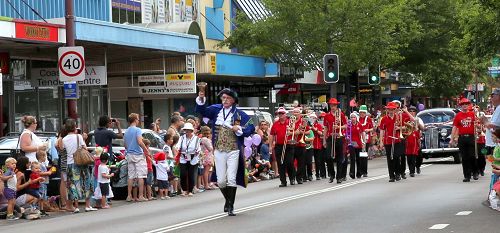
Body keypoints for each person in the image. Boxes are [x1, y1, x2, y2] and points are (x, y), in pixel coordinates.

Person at [196, 87, 255, 216]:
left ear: (233, 100)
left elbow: (251, 127)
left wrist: (239, 129)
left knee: (231, 179)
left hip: (233, 149)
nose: (225, 100)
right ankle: (228, 200)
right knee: (221, 180)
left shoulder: (239, 114)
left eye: (228, 98)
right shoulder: (215, 109)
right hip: (219, 150)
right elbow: (202, 111)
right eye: (223, 98)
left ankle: (231, 207)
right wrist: (201, 98)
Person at [62, 119, 97, 212]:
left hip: (70, 163)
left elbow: (63, 151)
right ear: (74, 127)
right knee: (86, 181)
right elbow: (84, 147)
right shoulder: (78, 136)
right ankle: (87, 205)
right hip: (81, 162)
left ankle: (76, 206)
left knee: (73, 184)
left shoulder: (64, 139)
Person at [124, 113, 150, 202]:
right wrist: (146, 150)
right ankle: (141, 196)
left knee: (131, 176)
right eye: (138, 119)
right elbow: (139, 141)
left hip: (129, 154)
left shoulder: (126, 131)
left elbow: (125, 145)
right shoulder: (138, 130)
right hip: (138, 154)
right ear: (135, 120)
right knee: (141, 175)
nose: (138, 120)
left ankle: (129, 195)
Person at [451, 98, 478, 182]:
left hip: (471, 137)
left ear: (468, 105)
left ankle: (475, 172)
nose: (465, 105)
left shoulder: (472, 114)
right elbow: (455, 127)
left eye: (466, 104)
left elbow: (476, 124)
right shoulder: (458, 115)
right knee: (464, 157)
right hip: (462, 138)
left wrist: (477, 127)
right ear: (461, 106)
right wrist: (452, 139)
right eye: (463, 104)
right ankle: (467, 175)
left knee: (472, 156)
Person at [323, 98, 347, 184]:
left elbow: (346, 125)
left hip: (339, 137)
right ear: (330, 106)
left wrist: (339, 127)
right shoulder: (326, 115)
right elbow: (325, 128)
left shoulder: (341, 114)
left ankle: (339, 176)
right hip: (330, 137)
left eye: (335, 105)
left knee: (339, 158)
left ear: (337, 106)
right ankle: (331, 174)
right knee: (328, 157)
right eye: (332, 105)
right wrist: (324, 140)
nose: (333, 107)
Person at [270, 107, 296, 187]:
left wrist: (290, 131)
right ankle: (283, 181)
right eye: (279, 114)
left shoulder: (290, 122)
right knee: (280, 163)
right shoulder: (275, 124)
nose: (280, 115)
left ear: (285, 114)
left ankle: (292, 178)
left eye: (282, 113)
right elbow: (272, 135)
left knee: (289, 162)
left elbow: (296, 132)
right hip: (279, 146)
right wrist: (270, 145)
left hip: (289, 145)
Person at [379, 102, 404, 182]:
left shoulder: (398, 117)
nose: (391, 111)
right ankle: (391, 176)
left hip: (397, 140)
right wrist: (381, 141)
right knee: (390, 159)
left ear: (395, 109)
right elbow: (382, 130)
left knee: (396, 157)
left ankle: (397, 174)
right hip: (388, 140)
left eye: (392, 109)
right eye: (389, 109)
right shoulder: (384, 119)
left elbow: (405, 127)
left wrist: (399, 128)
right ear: (387, 110)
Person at [391, 100, 414, 179]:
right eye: (394, 107)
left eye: (397, 107)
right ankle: (396, 172)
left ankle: (402, 172)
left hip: (402, 137)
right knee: (395, 156)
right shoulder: (391, 115)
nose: (396, 109)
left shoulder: (402, 115)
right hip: (393, 138)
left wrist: (406, 111)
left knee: (403, 155)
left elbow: (412, 121)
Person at [177, 123, 201, 197]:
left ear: (191, 131)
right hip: (183, 157)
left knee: (191, 174)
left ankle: (190, 190)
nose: (186, 132)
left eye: (188, 130)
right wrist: (177, 149)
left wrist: (197, 152)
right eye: (185, 130)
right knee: (183, 174)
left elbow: (198, 148)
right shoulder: (182, 138)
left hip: (193, 157)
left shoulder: (196, 138)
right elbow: (178, 146)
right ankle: (184, 190)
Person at [291, 107, 310, 184]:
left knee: (301, 163)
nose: (295, 114)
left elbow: (308, 132)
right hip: (292, 144)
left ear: (300, 114)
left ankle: (299, 178)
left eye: (297, 112)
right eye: (294, 112)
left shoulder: (303, 121)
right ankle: (292, 177)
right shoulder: (290, 121)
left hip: (301, 144)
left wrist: (302, 133)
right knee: (290, 162)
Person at [405, 106, 424, 177]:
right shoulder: (406, 119)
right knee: (410, 156)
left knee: (419, 157)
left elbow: (423, 128)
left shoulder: (418, 119)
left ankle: (418, 166)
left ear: (415, 112)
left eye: (413, 111)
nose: (412, 113)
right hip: (408, 139)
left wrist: (418, 124)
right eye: (410, 111)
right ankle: (411, 171)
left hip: (417, 139)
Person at [347, 112, 366, 179]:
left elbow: (363, 133)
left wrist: (364, 142)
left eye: (354, 117)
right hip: (351, 144)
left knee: (359, 159)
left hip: (359, 144)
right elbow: (347, 133)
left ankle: (359, 173)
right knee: (352, 159)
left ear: (356, 118)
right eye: (351, 117)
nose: (352, 119)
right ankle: (352, 173)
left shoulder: (359, 125)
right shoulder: (349, 125)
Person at [310, 113, 324, 180]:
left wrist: (315, 129)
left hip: (317, 145)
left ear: (316, 119)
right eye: (311, 118)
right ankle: (309, 175)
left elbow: (321, 133)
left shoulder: (318, 125)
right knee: (309, 161)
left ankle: (317, 174)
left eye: (313, 118)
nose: (312, 119)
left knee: (317, 160)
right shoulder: (307, 125)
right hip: (309, 145)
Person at [200, 126, 215, 190]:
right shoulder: (206, 139)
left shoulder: (201, 139)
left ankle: (205, 184)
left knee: (205, 171)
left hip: (203, 155)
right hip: (207, 156)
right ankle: (206, 185)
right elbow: (210, 148)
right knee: (206, 171)